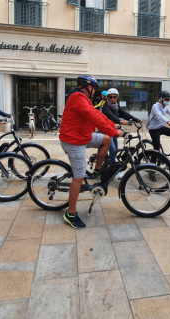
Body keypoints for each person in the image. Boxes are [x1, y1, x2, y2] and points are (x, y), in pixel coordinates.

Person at [59, 76, 124, 229]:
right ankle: (71, 213)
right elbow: (93, 117)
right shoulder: (78, 98)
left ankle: (98, 170)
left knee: (106, 140)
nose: (94, 92)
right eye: (93, 88)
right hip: (73, 141)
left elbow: (99, 115)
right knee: (79, 177)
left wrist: (113, 125)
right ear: (87, 87)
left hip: (82, 135)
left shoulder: (83, 99)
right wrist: (114, 132)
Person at [101, 88, 140, 176]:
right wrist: (120, 121)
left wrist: (136, 119)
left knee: (116, 149)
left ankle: (111, 163)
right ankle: (113, 169)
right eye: (110, 97)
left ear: (117, 97)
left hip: (114, 130)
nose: (113, 99)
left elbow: (125, 114)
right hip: (106, 130)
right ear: (108, 98)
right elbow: (110, 116)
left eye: (114, 97)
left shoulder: (116, 107)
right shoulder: (105, 106)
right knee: (113, 149)